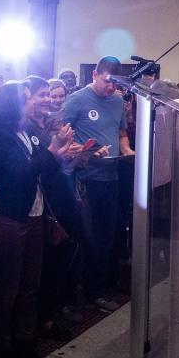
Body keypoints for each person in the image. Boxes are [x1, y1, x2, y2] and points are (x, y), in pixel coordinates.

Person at [0, 79, 82, 358]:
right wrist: (52, 149)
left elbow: (38, 170)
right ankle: (2, 344)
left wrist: (60, 154)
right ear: (13, 104)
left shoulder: (27, 132)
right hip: (11, 218)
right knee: (7, 287)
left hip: (34, 214)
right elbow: (20, 174)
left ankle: (25, 339)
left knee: (30, 285)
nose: (33, 103)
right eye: (26, 99)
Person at [62, 56, 133, 312]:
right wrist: (83, 149)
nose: (110, 88)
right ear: (94, 74)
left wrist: (126, 149)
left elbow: (121, 132)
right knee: (90, 238)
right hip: (85, 180)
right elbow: (59, 136)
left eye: (115, 84)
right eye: (106, 82)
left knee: (110, 233)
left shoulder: (117, 101)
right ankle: (91, 290)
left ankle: (106, 282)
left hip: (112, 176)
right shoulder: (77, 100)